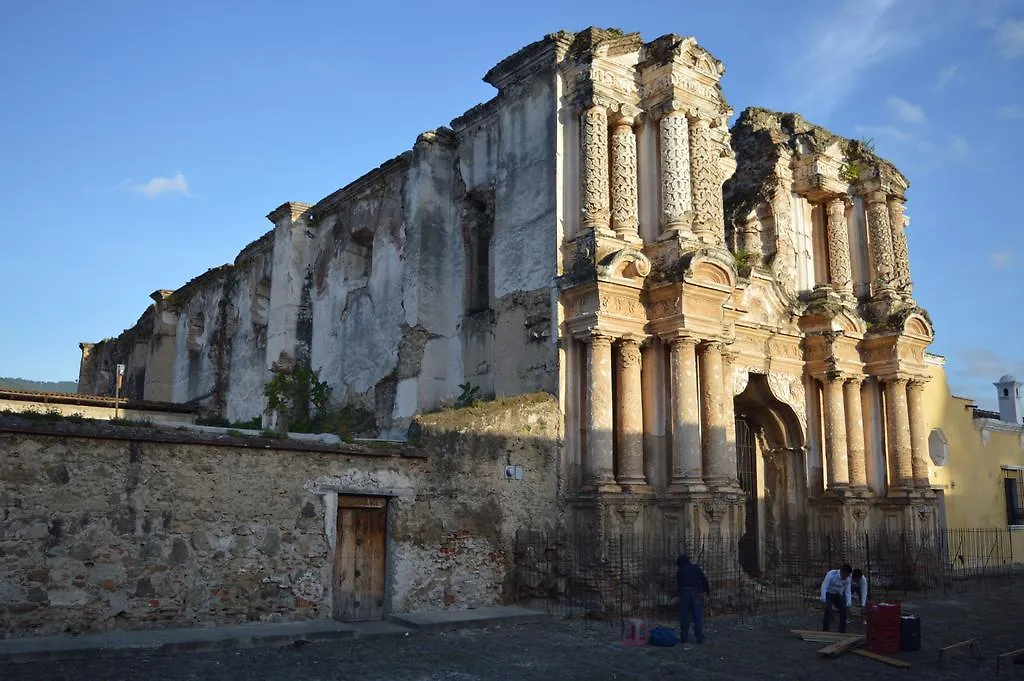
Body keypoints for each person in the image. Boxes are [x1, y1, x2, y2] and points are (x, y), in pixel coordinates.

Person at [676, 554, 711, 644]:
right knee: (697, 615)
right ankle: (699, 637)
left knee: (685, 615)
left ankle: (684, 636)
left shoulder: (680, 571)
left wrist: (680, 593)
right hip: (695, 592)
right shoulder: (696, 568)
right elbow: (704, 579)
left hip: (684, 592)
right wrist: (707, 591)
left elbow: (678, 585)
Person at [819, 563, 852, 632]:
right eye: (845, 575)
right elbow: (824, 586)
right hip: (828, 593)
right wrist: (823, 600)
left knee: (843, 610)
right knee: (828, 610)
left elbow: (848, 591)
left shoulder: (847, 579)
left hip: (837, 594)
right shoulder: (831, 574)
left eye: (847, 576)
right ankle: (825, 630)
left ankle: (842, 631)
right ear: (842, 571)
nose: (845, 578)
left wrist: (849, 604)